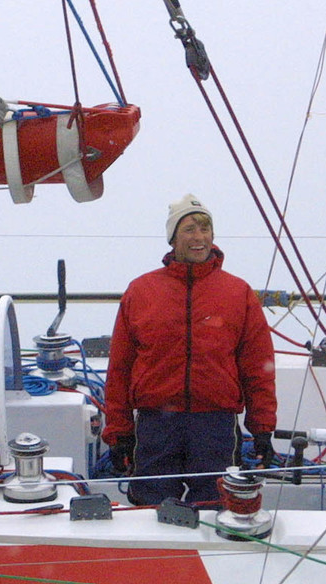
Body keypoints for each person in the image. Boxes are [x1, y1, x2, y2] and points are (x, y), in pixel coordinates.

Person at [102, 193, 278, 505]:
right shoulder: (141, 291)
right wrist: (119, 433)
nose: (199, 237)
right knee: (150, 510)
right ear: (172, 238)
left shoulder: (238, 293)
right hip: (157, 426)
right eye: (189, 229)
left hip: (215, 426)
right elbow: (120, 369)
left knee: (215, 507)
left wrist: (262, 430)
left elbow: (258, 367)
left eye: (205, 228)